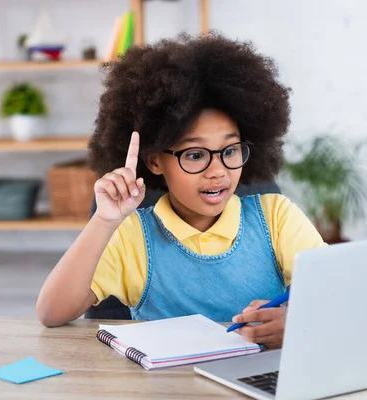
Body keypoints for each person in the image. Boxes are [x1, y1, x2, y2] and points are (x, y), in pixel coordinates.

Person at [36, 32, 326, 349]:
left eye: (230, 150)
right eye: (195, 155)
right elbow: (52, 313)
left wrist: (299, 320)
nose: (218, 171)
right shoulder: (133, 236)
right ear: (155, 161)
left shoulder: (277, 218)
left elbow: (336, 293)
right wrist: (104, 221)